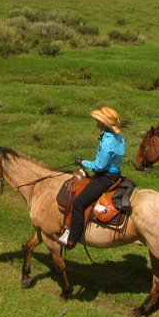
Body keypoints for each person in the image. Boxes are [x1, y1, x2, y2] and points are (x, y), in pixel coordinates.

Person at [57, 106, 125, 249]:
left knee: (79, 203)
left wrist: (83, 162)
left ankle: (72, 238)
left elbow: (99, 166)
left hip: (105, 176)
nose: (96, 121)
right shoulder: (118, 138)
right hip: (114, 173)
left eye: (98, 120)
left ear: (104, 123)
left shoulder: (108, 142)